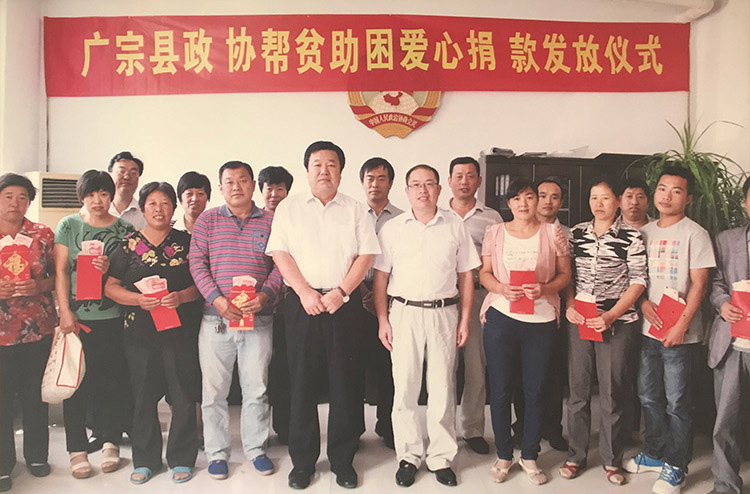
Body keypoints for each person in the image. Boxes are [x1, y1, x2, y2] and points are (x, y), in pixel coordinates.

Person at [266, 141, 379, 490]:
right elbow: (280, 253)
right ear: (307, 170)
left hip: (343, 304)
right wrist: (304, 291)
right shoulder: (289, 208)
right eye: (317, 164)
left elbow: (366, 255)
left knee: (345, 382)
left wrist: (341, 292)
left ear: (341, 172)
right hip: (302, 304)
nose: (324, 171)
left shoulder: (356, 209)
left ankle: (343, 460)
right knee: (301, 383)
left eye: (331, 164)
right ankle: (303, 462)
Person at [374, 164, 478, 487]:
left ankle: (441, 457)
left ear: (439, 189)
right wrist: (382, 319)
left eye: (429, 184)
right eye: (416, 185)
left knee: (442, 388)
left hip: (444, 313)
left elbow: (466, 276)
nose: (423, 190)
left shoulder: (454, 226)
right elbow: (381, 278)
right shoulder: (392, 228)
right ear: (406, 191)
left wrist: (464, 319)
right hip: (403, 314)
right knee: (404, 387)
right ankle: (408, 456)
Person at [189, 161, 284, 479]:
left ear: (253, 185)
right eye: (229, 181)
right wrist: (217, 299)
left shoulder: (271, 221)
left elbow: (281, 264)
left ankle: (256, 449)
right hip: (216, 320)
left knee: (256, 388)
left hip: (258, 319)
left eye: (243, 180)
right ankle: (217, 453)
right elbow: (197, 263)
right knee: (213, 391)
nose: (236, 186)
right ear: (220, 188)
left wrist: (265, 295)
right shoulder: (207, 220)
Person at [624, 166, 715, 494]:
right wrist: (642, 303)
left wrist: (681, 326)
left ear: (688, 198)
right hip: (650, 329)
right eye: (662, 189)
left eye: (676, 191)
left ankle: (677, 465)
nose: (667, 196)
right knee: (648, 395)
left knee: (678, 402)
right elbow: (637, 277)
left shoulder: (695, 233)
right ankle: (654, 452)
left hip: (681, 334)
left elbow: (700, 285)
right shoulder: (645, 232)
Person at [105, 182, 202, 484]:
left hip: (180, 332)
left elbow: (202, 283)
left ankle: (181, 458)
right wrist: (137, 300)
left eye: (165, 203)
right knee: (143, 397)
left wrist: (181, 297)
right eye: (152, 204)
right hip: (140, 334)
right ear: (143, 209)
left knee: (183, 396)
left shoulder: (188, 242)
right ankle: (146, 460)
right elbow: (111, 287)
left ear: (174, 208)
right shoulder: (128, 244)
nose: (159, 209)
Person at [479, 178, 570, 486]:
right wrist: (500, 288)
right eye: (516, 198)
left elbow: (565, 274)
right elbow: (484, 273)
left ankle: (530, 454)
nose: (523, 203)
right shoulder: (495, 232)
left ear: (536, 201)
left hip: (541, 320)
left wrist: (545, 288)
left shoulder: (552, 232)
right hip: (502, 318)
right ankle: (504, 454)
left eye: (529, 197)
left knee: (535, 390)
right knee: (500, 389)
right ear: (509, 203)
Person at [561, 176, 647, 486]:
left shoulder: (632, 236)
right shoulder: (576, 234)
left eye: (606, 198)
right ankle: (576, 455)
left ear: (618, 202)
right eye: (594, 198)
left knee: (612, 392)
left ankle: (612, 460)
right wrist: (570, 305)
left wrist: (611, 315)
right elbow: (567, 275)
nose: (599, 204)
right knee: (578, 392)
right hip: (581, 322)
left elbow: (638, 281)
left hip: (617, 324)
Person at [54, 170, 135, 479]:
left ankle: (110, 441)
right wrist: (64, 311)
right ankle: (76, 449)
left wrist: (109, 268)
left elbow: (130, 274)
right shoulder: (68, 225)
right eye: (90, 194)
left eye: (103, 194)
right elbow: (61, 271)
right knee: (76, 385)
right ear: (82, 197)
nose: (97, 200)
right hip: (77, 319)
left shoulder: (124, 228)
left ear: (111, 195)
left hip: (114, 317)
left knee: (112, 382)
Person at [0, 174, 57, 493]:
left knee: (36, 394)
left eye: (22, 197)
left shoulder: (42, 234)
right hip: (1, 334)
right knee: (1, 398)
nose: (15, 203)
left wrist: (38, 285)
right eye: (8, 196)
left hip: (37, 328)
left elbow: (56, 277)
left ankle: (37, 456)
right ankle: (2, 463)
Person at [446, 156, 501, 455]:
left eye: (470, 176)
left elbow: (500, 259)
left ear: (479, 181)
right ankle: (444, 430)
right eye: (459, 176)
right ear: (449, 181)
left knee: (475, 365)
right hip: (444, 297)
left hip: (479, 295)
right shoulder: (437, 215)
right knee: (444, 366)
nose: (464, 181)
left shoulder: (492, 218)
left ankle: (472, 429)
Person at [511, 177, 570, 453]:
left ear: (561, 202)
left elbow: (569, 275)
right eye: (542, 195)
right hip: (522, 311)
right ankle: (522, 427)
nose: (547, 201)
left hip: (558, 310)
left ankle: (553, 428)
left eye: (554, 197)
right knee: (522, 373)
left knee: (554, 372)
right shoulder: (519, 232)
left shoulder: (567, 233)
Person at [706, 176, 750, 494]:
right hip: (732, 342)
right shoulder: (726, 239)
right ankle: (725, 485)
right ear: (745, 202)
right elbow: (716, 281)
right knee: (726, 420)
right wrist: (722, 304)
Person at [359, 157, 403, 450]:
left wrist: (381, 295)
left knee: (389, 367)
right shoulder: (351, 215)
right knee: (353, 366)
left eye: (381, 178)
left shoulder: (402, 219)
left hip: (390, 302)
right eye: (370, 178)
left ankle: (387, 425)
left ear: (391, 183)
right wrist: (362, 290)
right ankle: (353, 428)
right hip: (354, 297)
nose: (375, 184)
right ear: (362, 182)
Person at [257, 165, 294, 444]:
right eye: (269, 188)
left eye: (279, 188)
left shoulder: (295, 220)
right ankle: (258, 432)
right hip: (258, 307)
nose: (274, 194)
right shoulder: (255, 221)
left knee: (283, 368)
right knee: (259, 373)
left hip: (286, 309)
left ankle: (285, 427)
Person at [107, 151, 147, 230]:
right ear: (110, 175)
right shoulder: (96, 210)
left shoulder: (146, 214)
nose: (127, 177)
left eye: (133, 173)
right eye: (121, 171)